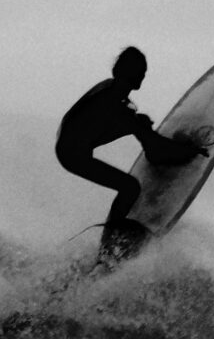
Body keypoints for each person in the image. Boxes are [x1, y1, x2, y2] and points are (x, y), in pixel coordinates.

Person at [56, 47, 204, 264]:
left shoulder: (112, 91)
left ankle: (115, 234)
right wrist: (188, 151)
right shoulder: (115, 105)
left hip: (71, 143)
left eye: (143, 72)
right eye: (140, 72)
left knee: (139, 125)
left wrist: (142, 129)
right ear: (128, 73)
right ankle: (106, 249)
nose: (143, 77)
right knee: (130, 186)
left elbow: (122, 118)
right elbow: (150, 147)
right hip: (71, 153)